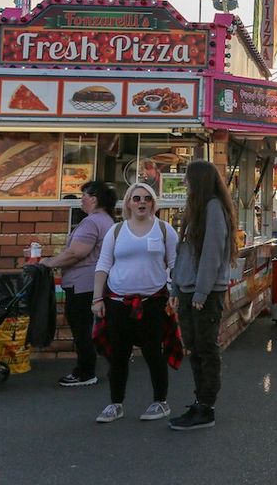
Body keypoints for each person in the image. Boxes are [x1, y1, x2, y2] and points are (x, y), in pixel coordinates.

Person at [91, 181, 179, 423]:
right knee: (118, 354)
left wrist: (175, 293)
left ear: (153, 204)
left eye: (147, 199)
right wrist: (97, 298)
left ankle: (160, 402)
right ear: (128, 203)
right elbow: (103, 265)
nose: (142, 202)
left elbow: (175, 264)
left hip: (153, 302)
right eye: (137, 198)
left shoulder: (164, 230)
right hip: (118, 302)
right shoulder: (116, 231)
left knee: (153, 353)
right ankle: (115, 403)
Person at [169, 160, 237, 431]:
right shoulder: (194, 210)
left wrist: (201, 290)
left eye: (187, 178)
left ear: (198, 180)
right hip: (188, 289)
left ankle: (206, 406)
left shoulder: (212, 208)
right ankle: (200, 401)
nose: (184, 183)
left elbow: (212, 251)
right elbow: (182, 254)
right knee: (195, 348)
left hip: (204, 292)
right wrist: (176, 288)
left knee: (206, 348)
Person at [42, 181, 117, 388]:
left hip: (82, 285)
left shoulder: (91, 222)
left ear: (94, 198)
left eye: (83, 195)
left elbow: (77, 252)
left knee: (82, 329)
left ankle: (85, 372)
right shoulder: (107, 221)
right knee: (98, 329)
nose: (80, 199)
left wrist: (49, 263)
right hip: (97, 283)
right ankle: (116, 365)